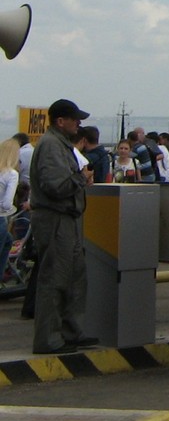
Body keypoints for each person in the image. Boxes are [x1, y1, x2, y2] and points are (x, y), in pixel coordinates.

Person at [29, 99, 95, 355]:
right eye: (75, 119)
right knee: (55, 279)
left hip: (67, 219)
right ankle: (49, 339)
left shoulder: (60, 144)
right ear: (60, 121)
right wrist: (81, 177)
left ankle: (70, 332)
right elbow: (55, 186)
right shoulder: (51, 145)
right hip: (56, 220)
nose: (79, 123)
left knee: (74, 277)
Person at [0, 137, 22, 285]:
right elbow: (7, 203)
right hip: (0, 216)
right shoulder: (12, 174)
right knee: (6, 242)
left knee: (7, 240)